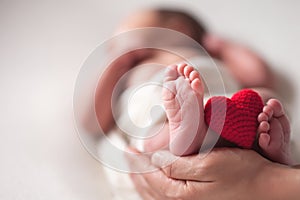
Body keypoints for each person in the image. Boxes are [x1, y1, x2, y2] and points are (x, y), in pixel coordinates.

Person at [95, 8, 293, 165]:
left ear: (178, 29)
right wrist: (115, 66)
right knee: (153, 142)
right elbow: (94, 122)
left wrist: (224, 46)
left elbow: (259, 76)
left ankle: (202, 133)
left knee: (265, 99)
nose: (117, 42)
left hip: (221, 104)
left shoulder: (212, 54)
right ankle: (191, 133)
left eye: (127, 32)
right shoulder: (129, 71)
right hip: (157, 107)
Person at [127, 148, 300, 200]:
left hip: (225, 100)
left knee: (262, 96)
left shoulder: (214, 61)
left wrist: (263, 179)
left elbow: (261, 76)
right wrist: (121, 65)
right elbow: (99, 121)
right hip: (154, 109)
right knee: (157, 140)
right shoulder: (134, 67)